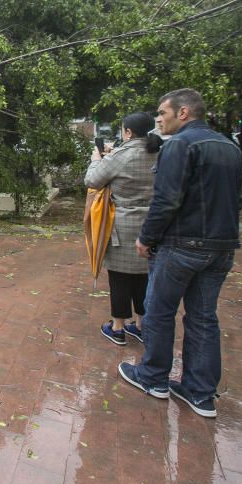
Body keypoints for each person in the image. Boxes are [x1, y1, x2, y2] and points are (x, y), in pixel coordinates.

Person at [117, 88, 242, 418]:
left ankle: (153, 377)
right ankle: (200, 393)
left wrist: (146, 238)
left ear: (183, 112)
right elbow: (236, 200)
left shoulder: (180, 147)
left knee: (158, 311)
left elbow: (166, 200)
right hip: (222, 247)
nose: (158, 119)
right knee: (203, 317)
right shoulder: (230, 147)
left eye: (163, 113)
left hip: (181, 246)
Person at [85, 112, 162, 346]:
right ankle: (140, 324)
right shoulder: (160, 153)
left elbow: (92, 180)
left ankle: (117, 327)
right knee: (144, 276)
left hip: (123, 224)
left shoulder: (122, 154)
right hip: (152, 223)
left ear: (128, 132)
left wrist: (97, 158)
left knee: (119, 277)